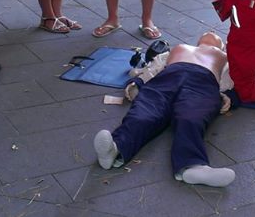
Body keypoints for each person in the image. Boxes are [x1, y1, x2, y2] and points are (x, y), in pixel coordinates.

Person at [93, 32, 236, 187]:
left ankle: (193, 165)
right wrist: (138, 81)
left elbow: (229, 79)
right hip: (168, 77)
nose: (210, 35)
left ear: (222, 45)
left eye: (215, 36)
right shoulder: (180, 48)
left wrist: (227, 95)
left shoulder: (224, 57)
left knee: (191, 117)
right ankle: (115, 148)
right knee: (145, 112)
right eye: (206, 33)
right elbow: (155, 67)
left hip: (202, 81)